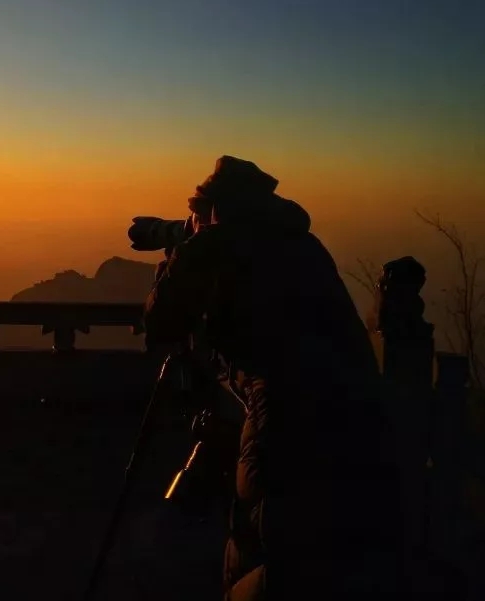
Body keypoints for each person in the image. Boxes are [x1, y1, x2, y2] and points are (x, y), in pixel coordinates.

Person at [142, 156, 405, 600]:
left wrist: (181, 252)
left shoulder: (219, 242)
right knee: (321, 540)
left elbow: (161, 321)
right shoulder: (299, 242)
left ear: (218, 210)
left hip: (283, 412)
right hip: (356, 411)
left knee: (266, 539)